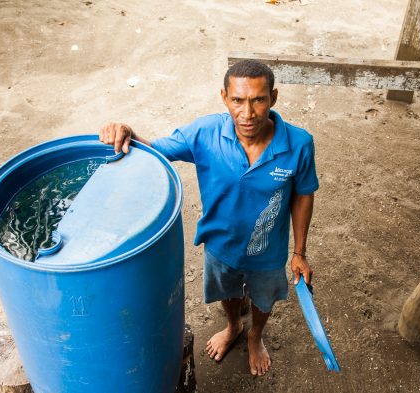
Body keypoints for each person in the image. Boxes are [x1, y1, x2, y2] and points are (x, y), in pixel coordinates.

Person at [99, 60, 319, 376]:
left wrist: (299, 253)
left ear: (273, 97)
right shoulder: (204, 133)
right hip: (220, 245)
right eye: (238, 100)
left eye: (258, 99)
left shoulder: (299, 144)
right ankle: (233, 327)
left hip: (268, 252)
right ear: (224, 97)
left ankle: (255, 335)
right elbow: (155, 150)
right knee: (227, 291)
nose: (248, 113)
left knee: (264, 298)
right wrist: (129, 133)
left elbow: (303, 194)